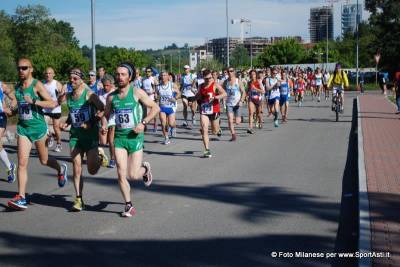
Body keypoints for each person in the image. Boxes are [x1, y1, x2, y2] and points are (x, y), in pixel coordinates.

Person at [7, 58, 68, 211]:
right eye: (19, 68)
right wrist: (11, 112)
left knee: (44, 160)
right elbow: (20, 107)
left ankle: (61, 169)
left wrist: (34, 101)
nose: (21, 71)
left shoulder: (37, 85)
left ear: (31, 69)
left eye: (24, 68)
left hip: (39, 128)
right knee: (22, 163)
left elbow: (53, 103)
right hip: (23, 129)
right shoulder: (19, 88)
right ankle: (21, 197)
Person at [103, 63, 159, 217]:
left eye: (123, 74)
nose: (119, 77)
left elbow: (155, 108)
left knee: (133, 175)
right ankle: (128, 205)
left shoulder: (137, 92)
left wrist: (143, 123)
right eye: (117, 74)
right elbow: (107, 114)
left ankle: (145, 169)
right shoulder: (111, 97)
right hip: (120, 138)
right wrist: (104, 124)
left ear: (130, 77)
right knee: (121, 173)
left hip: (135, 137)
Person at [58, 68, 105, 211]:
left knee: (91, 170)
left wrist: (91, 122)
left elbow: (102, 109)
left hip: (90, 135)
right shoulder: (70, 96)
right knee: (76, 168)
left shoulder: (89, 95)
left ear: (81, 80)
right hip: (75, 136)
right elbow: (74, 114)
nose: (72, 81)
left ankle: (100, 156)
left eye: (75, 79)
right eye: (70, 78)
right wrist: (66, 123)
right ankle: (78, 199)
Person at [195, 69, 226, 158]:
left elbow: (224, 94)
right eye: (206, 78)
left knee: (214, 131)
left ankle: (218, 129)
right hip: (204, 110)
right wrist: (193, 99)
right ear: (203, 78)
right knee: (204, 129)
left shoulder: (215, 85)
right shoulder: (201, 86)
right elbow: (199, 96)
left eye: (210, 78)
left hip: (214, 110)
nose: (208, 80)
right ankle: (207, 150)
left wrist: (216, 97)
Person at [42, 67, 64, 152]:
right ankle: (50, 136)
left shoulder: (57, 84)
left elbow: (63, 96)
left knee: (56, 127)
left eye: (50, 73)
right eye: (46, 73)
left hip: (55, 109)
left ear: (53, 74)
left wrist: (58, 103)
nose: (48, 75)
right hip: (46, 109)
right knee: (43, 126)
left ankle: (59, 144)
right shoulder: (43, 84)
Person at [156, 71, 181, 145]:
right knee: (163, 123)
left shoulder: (172, 85)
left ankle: (173, 127)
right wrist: (156, 97)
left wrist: (175, 98)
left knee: (170, 123)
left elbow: (179, 93)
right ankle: (166, 138)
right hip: (162, 107)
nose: (163, 77)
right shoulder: (158, 86)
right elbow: (157, 95)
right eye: (162, 75)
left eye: (164, 75)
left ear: (168, 77)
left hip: (171, 107)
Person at [98, 74, 117, 168]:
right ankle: (101, 154)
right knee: (102, 142)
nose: (105, 87)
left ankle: (113, 159)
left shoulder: (115, 93)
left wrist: (104, 111)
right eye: (104, 85)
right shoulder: (99, 92)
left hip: (113, 119)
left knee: (111, 141)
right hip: (102, 119)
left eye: (107, 85)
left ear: (112, 84)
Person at [223, 67, 246, 141]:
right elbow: (222, 92)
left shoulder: (238, 81)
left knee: (237, 122)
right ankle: (233, 135)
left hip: (237, 103)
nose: (230, 72)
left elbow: (243, 92)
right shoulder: (225, 82)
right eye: (228, 71)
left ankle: (240, 118)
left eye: (231, 71)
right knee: (230, 120)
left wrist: (241, 101)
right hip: (229, 103)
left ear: (234, 72)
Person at [0, 80, 17, 183]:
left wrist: (9, 107)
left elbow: (14, 98)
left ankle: (9, 168)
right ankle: (10, 166)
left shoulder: (1, 85)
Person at [141, 67, 158, 132]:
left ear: (151, 72)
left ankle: (155, 125)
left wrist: (155, 93)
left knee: (154, 113)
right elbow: (142, 87)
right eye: (146, 71)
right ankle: (145, 126)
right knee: (146, 113)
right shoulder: (143, 79)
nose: (147, 73)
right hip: (145, 97)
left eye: (149, 71)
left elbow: (156, 87)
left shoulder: (153, 79)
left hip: (152, 97)